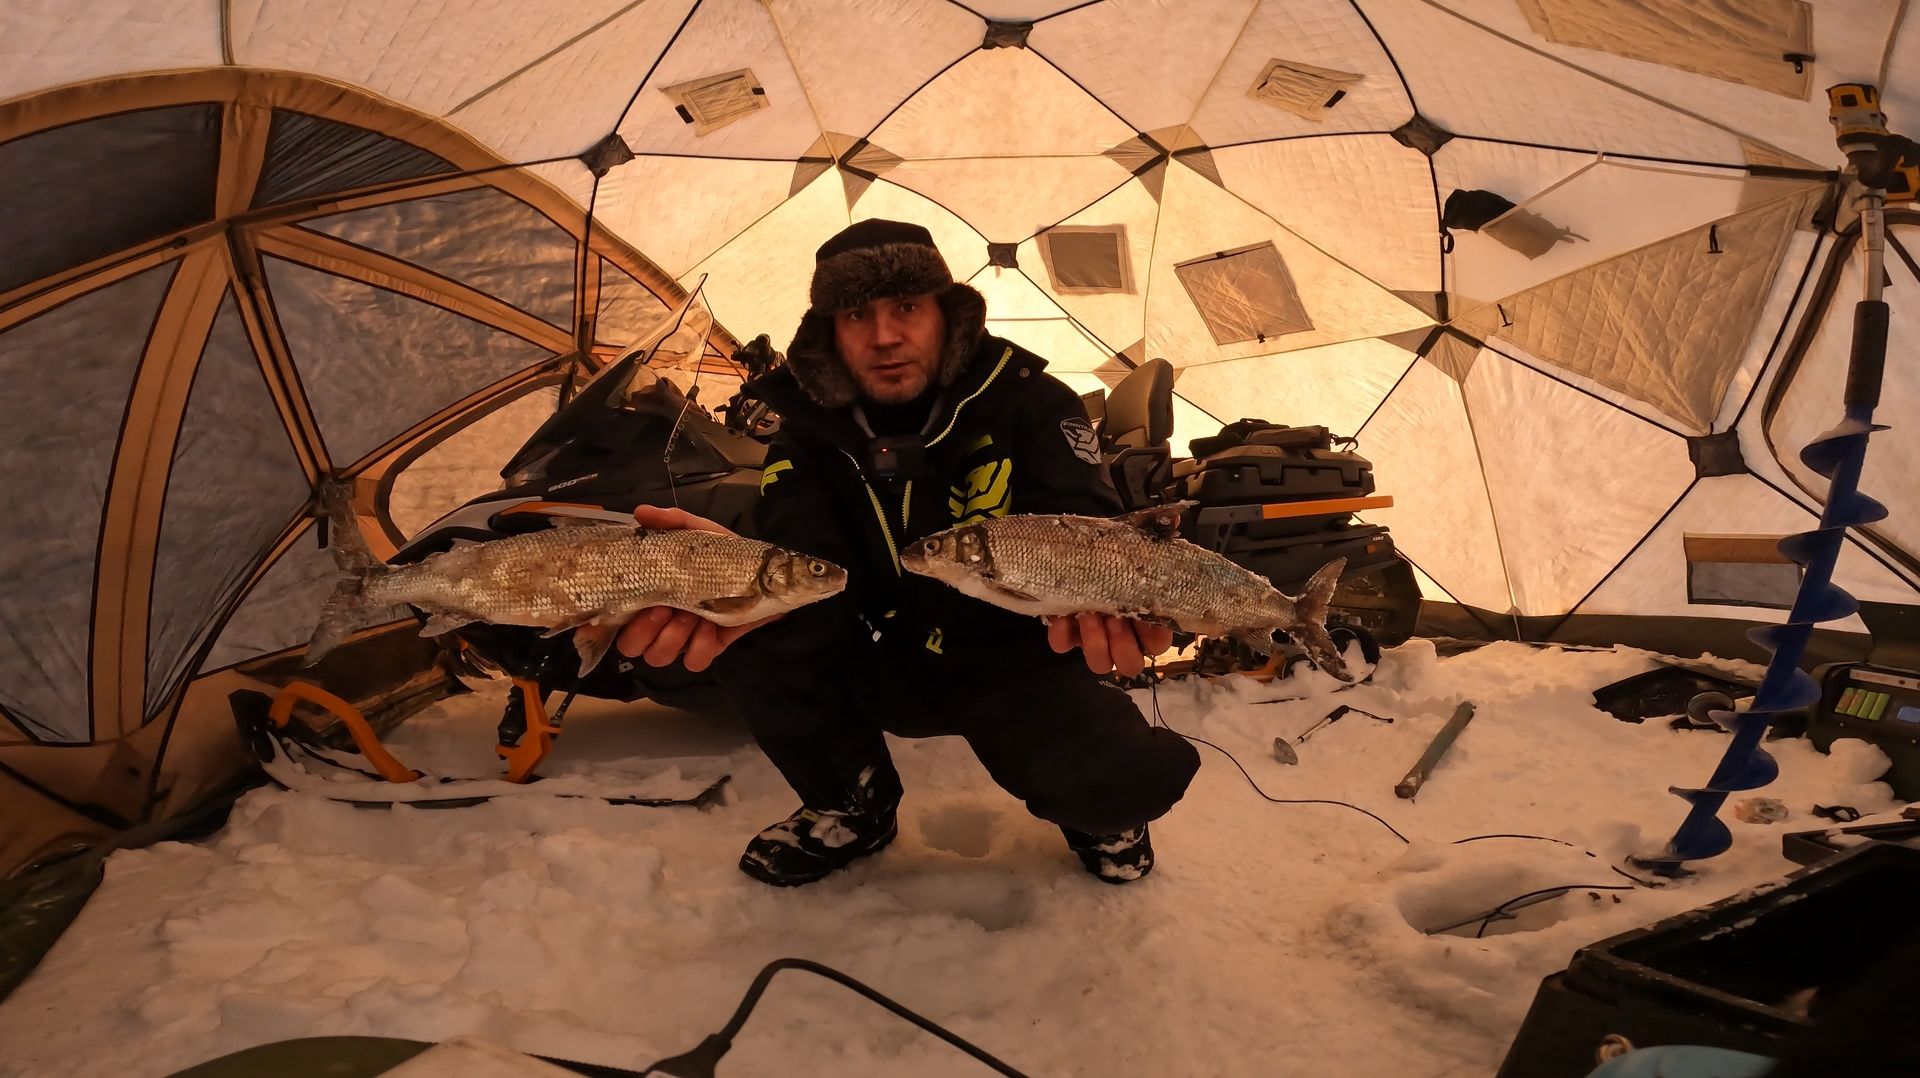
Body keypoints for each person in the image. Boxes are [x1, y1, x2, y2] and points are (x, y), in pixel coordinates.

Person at [616, 219, 1200, 887]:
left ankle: (1105, 817)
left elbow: (1088, 522)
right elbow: (802, 543)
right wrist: (738, 583)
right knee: (746, 628)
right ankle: (852, 803)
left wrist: (1121, 597)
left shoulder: (1032, 403)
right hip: (870, 647)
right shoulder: (805, 430)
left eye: (906, 307)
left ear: (947, 316)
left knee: (1123, 780)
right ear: (828, 334)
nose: (885, 335)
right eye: (857, 313)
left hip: (1012, 659)